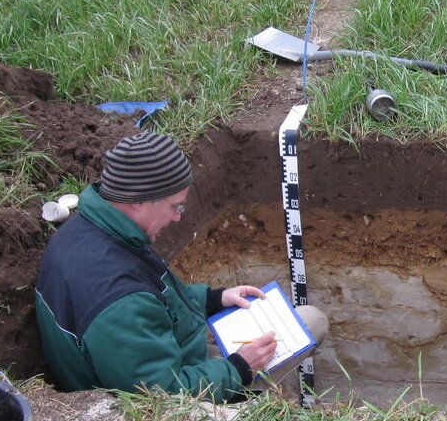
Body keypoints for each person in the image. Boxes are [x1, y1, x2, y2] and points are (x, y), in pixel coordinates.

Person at [35, 131, 326, 401]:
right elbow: (162, 398)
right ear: (138, 202)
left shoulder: (89, 230)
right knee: (311, 322)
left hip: (164, 353)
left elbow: (155, 301)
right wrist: (239, 368)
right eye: (175, 206)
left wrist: (213, 299)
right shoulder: (120, 300)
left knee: (303, 321)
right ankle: (258, 408)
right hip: (169, 394)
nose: (178, 219)